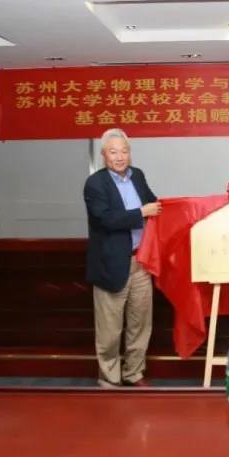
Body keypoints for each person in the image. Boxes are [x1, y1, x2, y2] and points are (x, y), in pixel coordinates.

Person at [84, 128, 161, 388]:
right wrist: (141, 213)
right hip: (111, 266)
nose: (119, 157)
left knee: (140, 324)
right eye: (113, 152)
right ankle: (109, 379)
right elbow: (104, 219)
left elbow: (153, 204)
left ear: (130, 153)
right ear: (104, 155)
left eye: (124, 151)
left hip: (141, 262)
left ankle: (134, 373)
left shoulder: (137, 175)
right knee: (110, 330)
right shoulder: (95, 183)